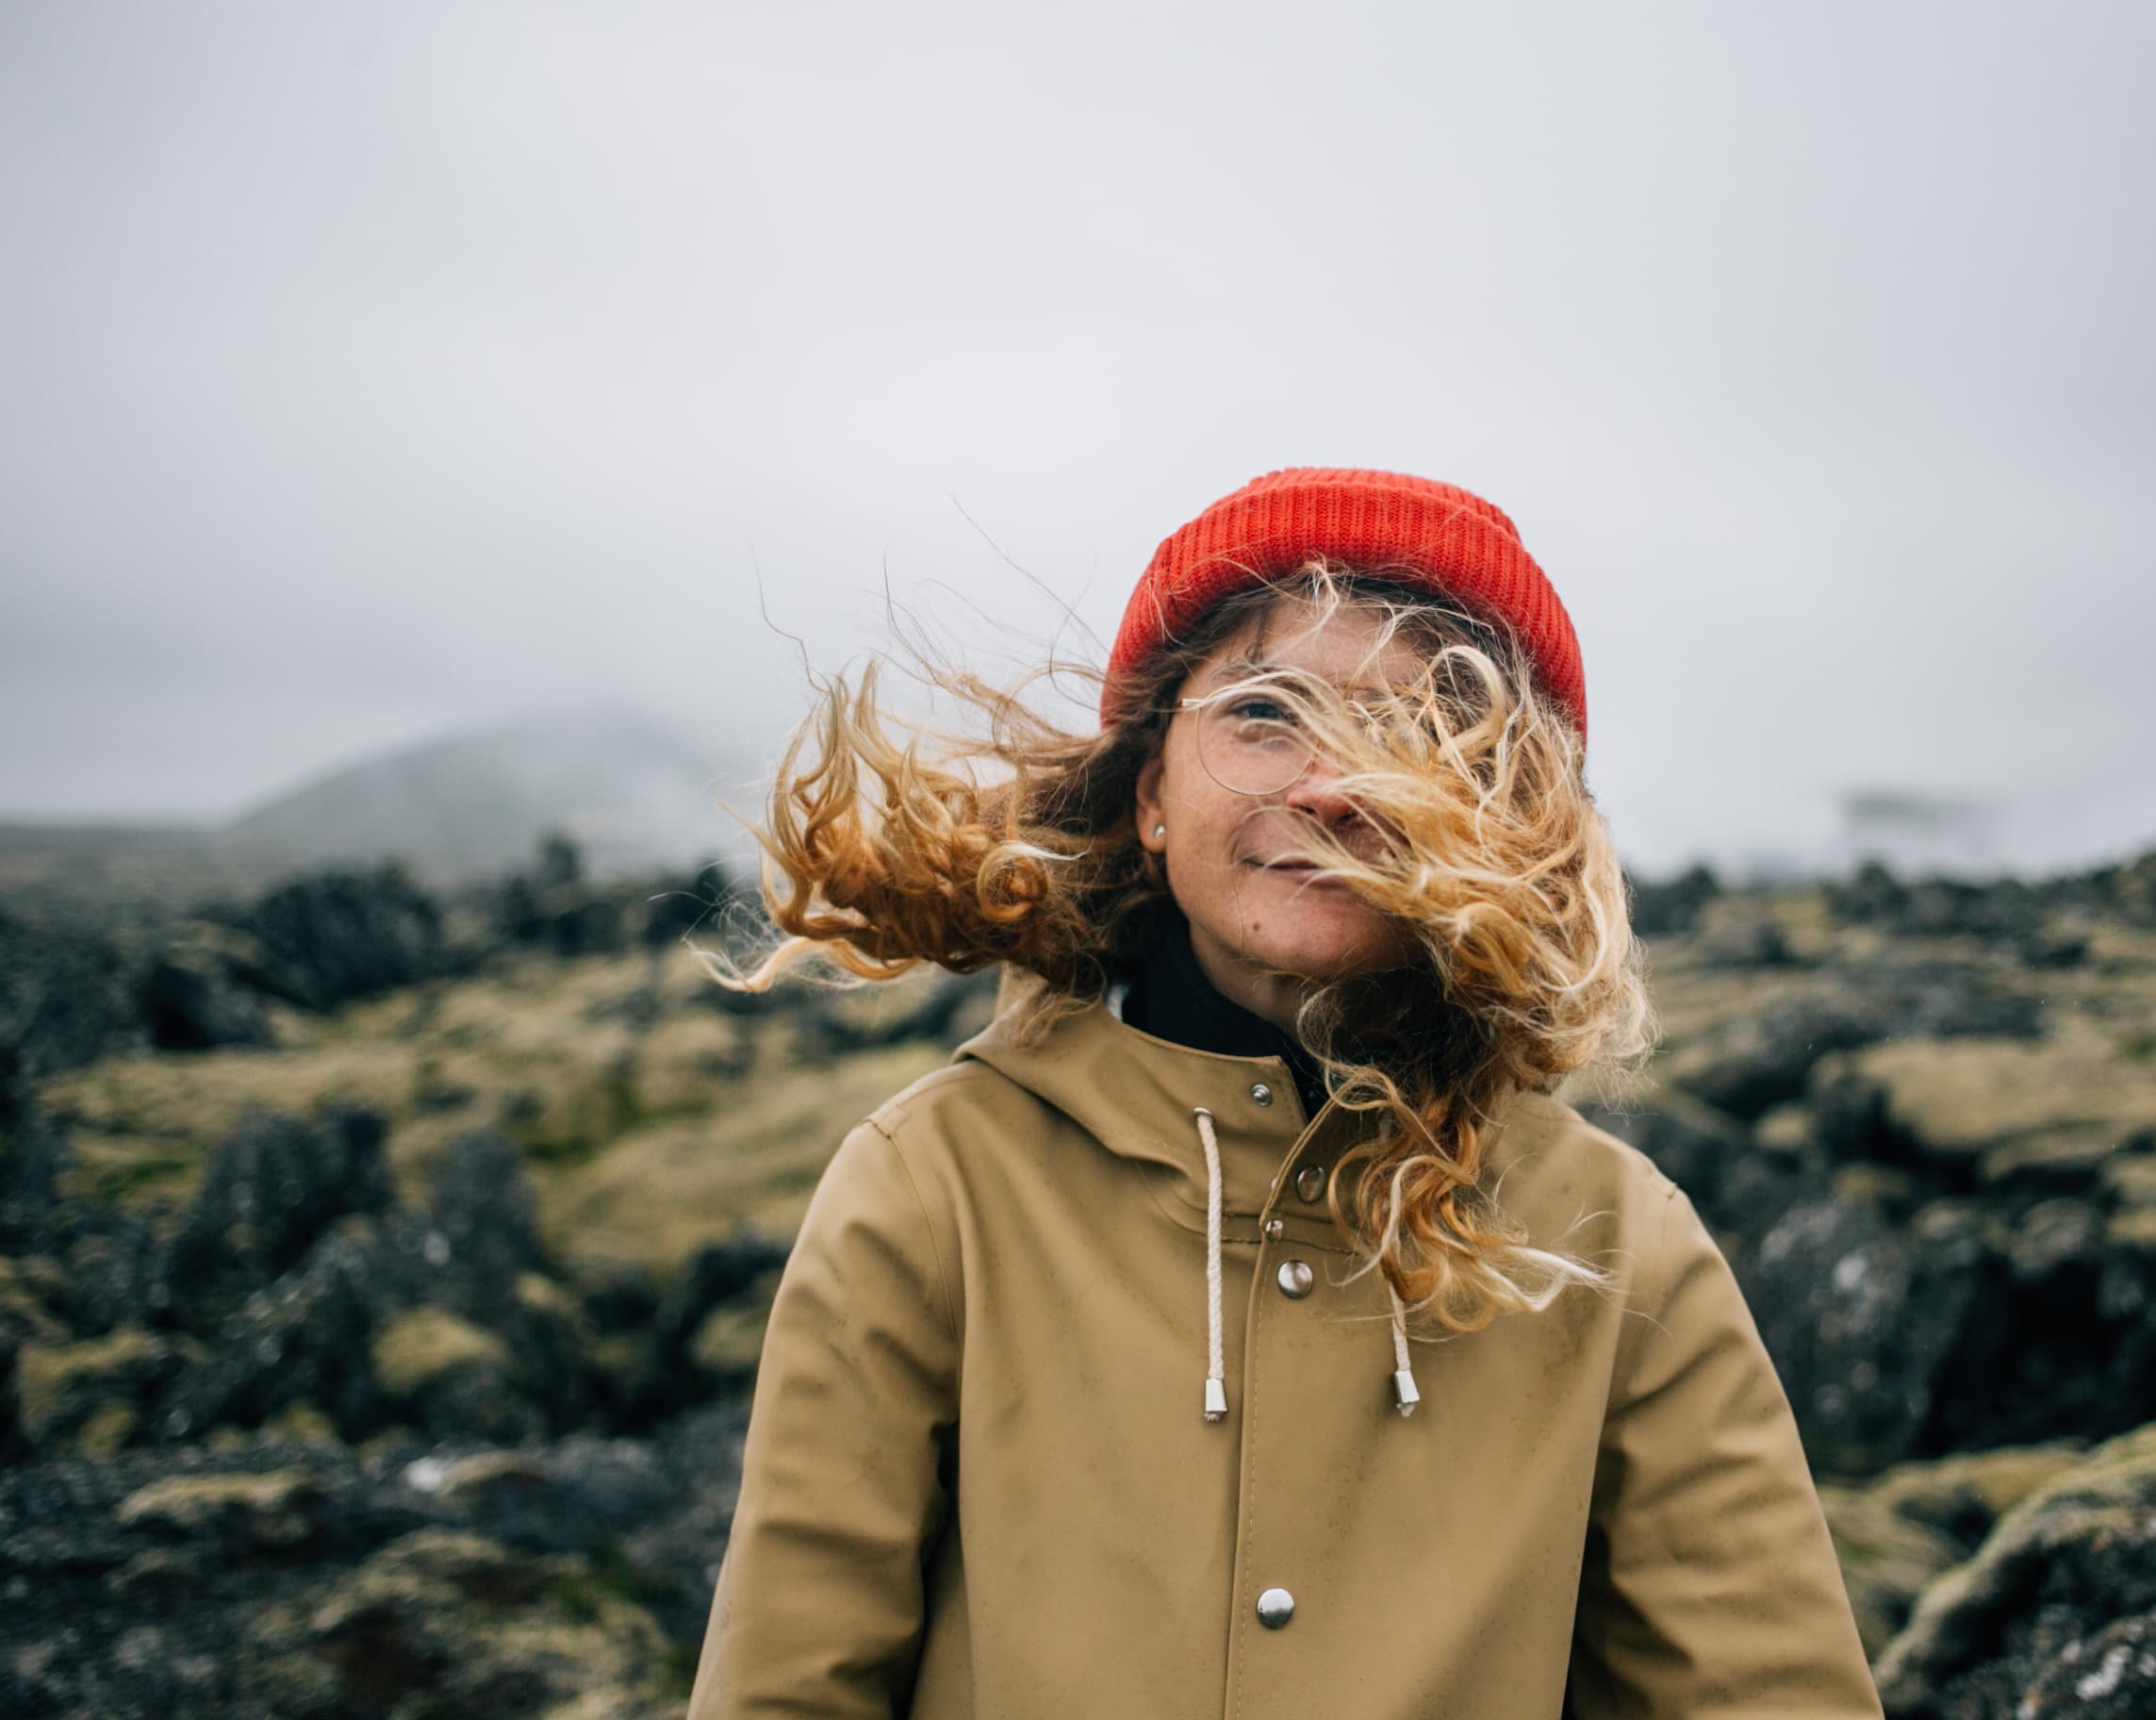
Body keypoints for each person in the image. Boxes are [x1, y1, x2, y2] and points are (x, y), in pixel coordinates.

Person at [684, 468, 1882, 1717]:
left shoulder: (1616, 1245)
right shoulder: (934, 1191)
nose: (1334, 785)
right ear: (1151, 792)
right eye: (1266, 712)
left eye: (1422, 731)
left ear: (1513, 815)